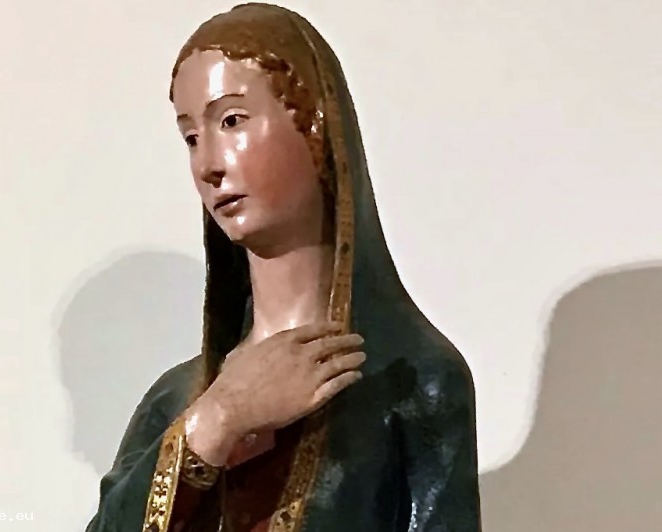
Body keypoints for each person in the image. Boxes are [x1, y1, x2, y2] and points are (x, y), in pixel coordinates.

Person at [86, 4, 481, 531]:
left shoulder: (413, 383)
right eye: (191, 137)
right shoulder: (178, 401)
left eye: (231, 121)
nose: (208, 165)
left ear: (314, 125)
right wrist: (220, 420)